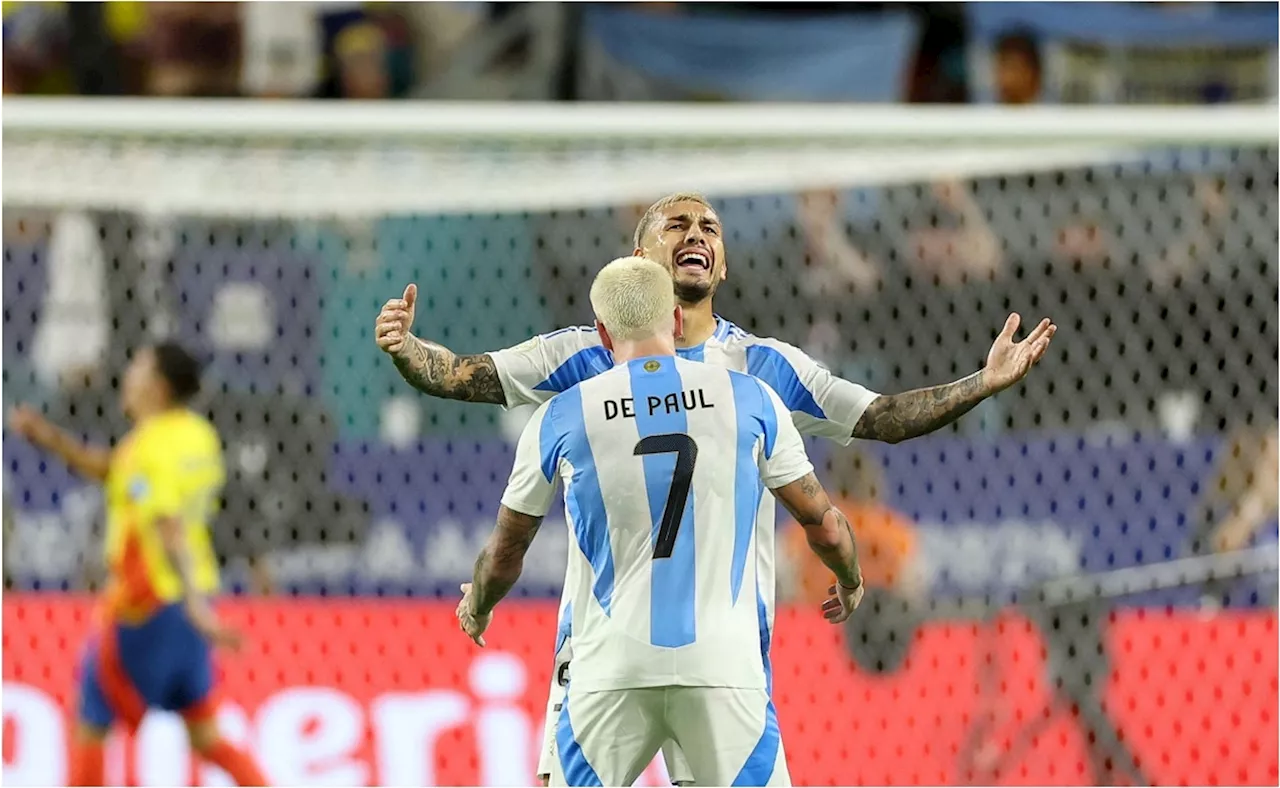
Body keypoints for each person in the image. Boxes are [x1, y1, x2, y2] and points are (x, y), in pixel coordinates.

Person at [375, 191, 1056, 783]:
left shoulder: (763, 366)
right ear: (638, 258)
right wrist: (408, 350)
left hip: (697, 657)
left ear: (723, 265)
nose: (695, 233)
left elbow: (880, 417)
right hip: (620, 654)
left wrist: (981, 383)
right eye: (675, 225)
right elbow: (462, 373)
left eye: (709, 227)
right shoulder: (583, 353)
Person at [455, 257, 865, 785]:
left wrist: (478, 606)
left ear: (602, 332)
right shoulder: (752, 399)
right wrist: (850, 580)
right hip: (723, 670)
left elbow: (506, 554)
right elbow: (825, 525)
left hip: (608, 672)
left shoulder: (560, 415)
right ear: (675, 319)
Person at [7, 342, 269, 787]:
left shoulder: (151, 448)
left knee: (90, 718)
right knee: (206, 736)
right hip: (189, 605)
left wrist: (197, 611)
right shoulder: (195, 437)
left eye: (137, 366)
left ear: (158, 386)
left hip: (148, 604)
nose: (127, 375)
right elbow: (115, 470)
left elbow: (165, 525)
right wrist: (51, 438)